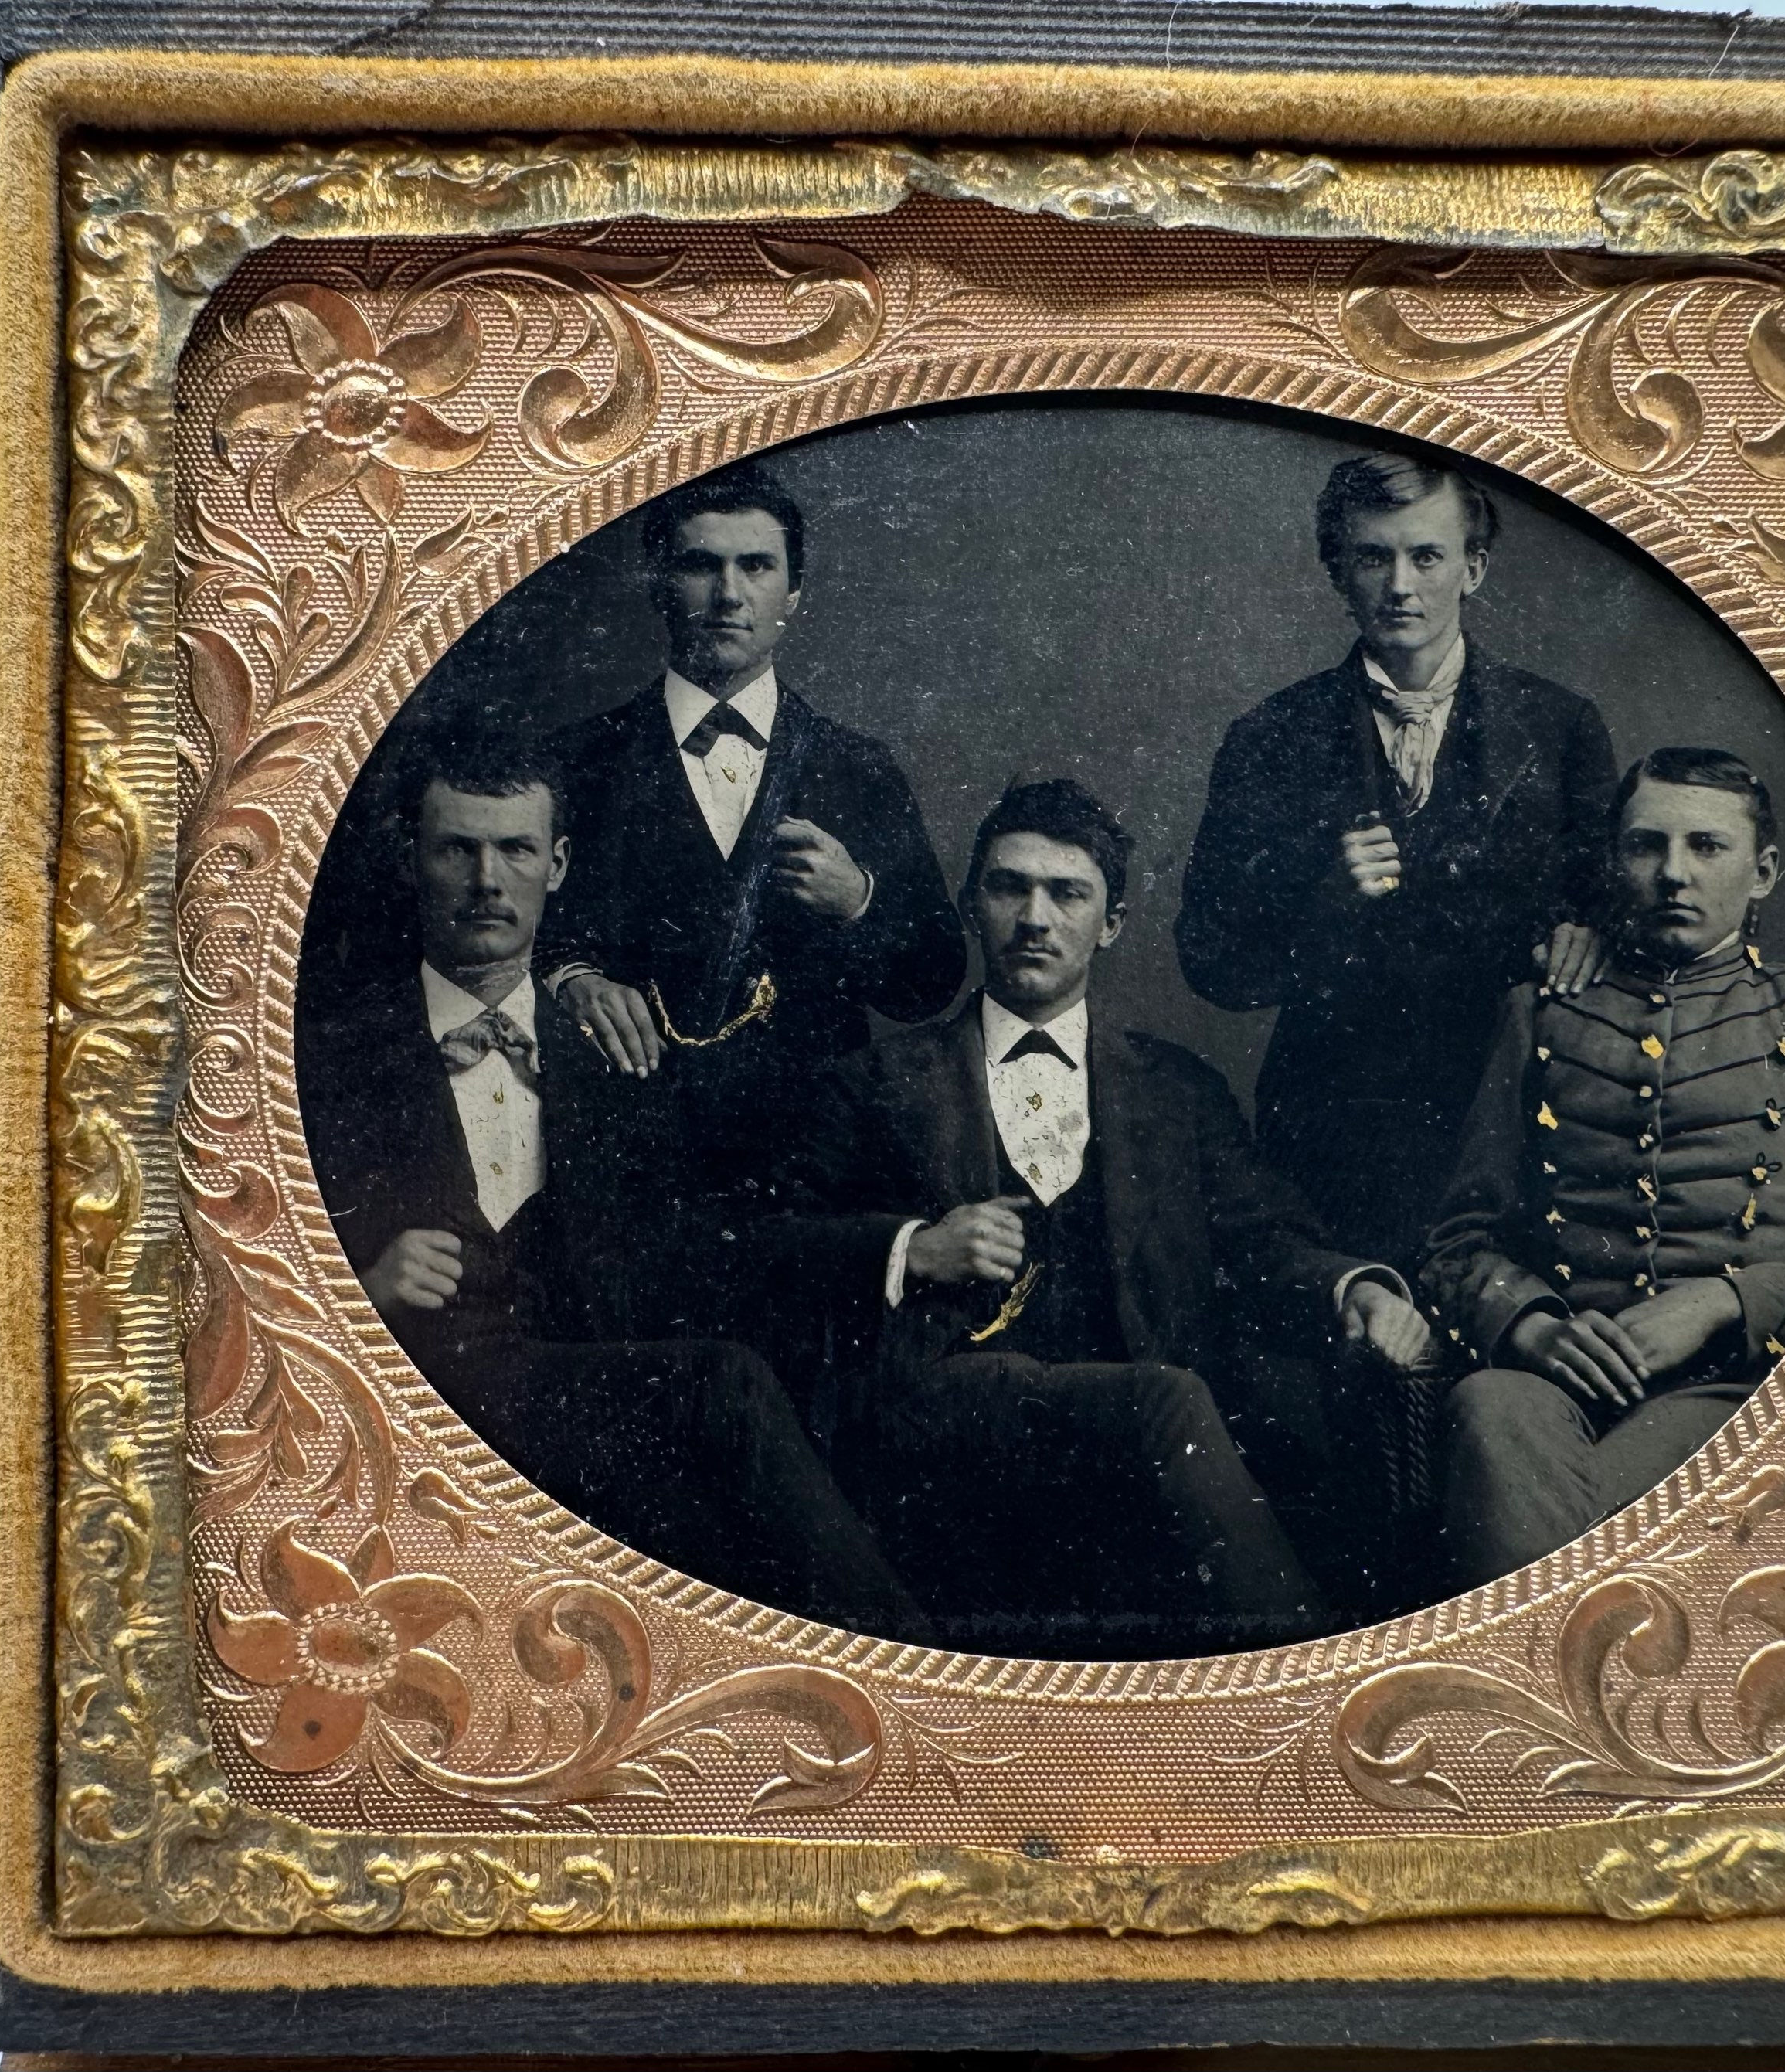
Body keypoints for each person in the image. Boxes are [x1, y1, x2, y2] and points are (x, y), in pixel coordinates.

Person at [780, 779, 1436, 1655]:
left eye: (1068, 892)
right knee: (1171, 1400)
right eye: (1009, 886)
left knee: (1197, 1413)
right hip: (947, 1420)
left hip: (1134, 1437)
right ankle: (1319, 1671)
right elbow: (763, 1242)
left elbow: (1264, 1237)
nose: (1034, 917)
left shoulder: (1177, 1088)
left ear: (1113, 922)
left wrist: (1354, 1287)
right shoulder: (877, 1082)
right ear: (974, 904)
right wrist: (914, 1247)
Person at [296, 732, 923, 1635]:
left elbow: (695, 1246)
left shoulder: (614, 1049)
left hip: (574, 1397)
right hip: (411, 1403)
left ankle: (888, 1668)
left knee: (729, 1411)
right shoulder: (324, 1055)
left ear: (557, 866)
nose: (486, 880)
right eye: (456, 848)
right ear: (411, 861)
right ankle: (911, 1663)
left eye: (514, 849)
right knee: (720, 1399)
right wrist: (360, 1291)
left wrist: (891, 1248)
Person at [1417, 747, 1785, 1589]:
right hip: (1557, 1376)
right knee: (1489, 1409)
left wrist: (1723, 1301)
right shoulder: (1541, 1012)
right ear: (1614, 861)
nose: (1673, 873)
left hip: (1738, 1387)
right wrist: (1538, 1328)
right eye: (1646, 846)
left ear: (1764, 873)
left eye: (1706, 847)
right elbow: (1458, 1242)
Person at [1177, 450, 1618, 1264]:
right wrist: (1319, 893)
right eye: (1373, 557)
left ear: (1474, 567)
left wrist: (1593, 930)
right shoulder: (1268, 737)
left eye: (1427, 555)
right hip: (1333, 1130)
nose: (1400, 585)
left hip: (1512, 1121)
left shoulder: (1560, 728)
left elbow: (1617, 910)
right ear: (1337, 571)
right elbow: (1210, 963)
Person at [539, 459, 967, 1191]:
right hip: (625, 1151)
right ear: (659, 585)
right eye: (701, 566)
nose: (729, 594)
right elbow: (489, 932)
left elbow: (932, 980)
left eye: (757, 566)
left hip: (815, 1168)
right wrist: (567, 979)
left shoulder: (858, 767)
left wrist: (858, 900)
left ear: (792, 593)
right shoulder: (578, 760)